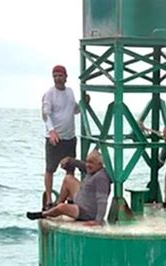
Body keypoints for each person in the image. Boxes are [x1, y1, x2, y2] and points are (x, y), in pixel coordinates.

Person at [26, 151, 111, 226]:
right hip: (81, 198)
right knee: (68, 179)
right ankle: (55, 205)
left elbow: (102, 200)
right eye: (87, 162)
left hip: (85, 211)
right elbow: (81, 165)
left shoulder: (101, 178)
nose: (88, 165)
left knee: (62, 207)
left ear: (99, 164)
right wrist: (70, 160)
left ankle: (43, 214)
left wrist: (98, 220)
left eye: (91, 163)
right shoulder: (92, 170)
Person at [41, 65, 81, 211]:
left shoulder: (70, 92)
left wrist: (84, 104)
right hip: (54, 138)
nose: (57, 78)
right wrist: (51, 131)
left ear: (65, 77)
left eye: (60, 75)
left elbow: (75, 109)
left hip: (69, 137)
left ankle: (70, 198)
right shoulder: (49, 94)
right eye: (55, 76)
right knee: (50, 168)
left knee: (70, 168)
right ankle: (50, 200)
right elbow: (45, 113)